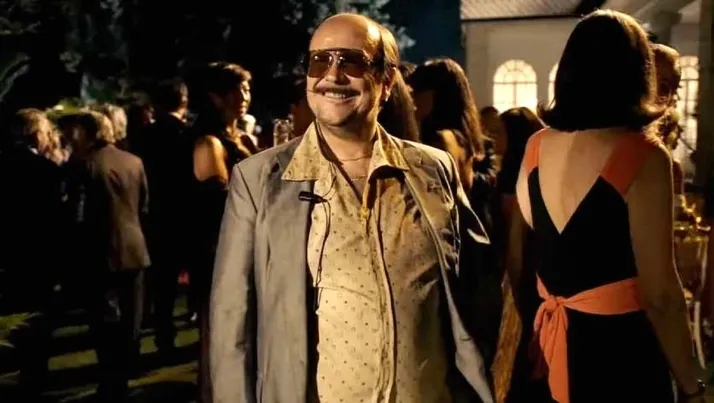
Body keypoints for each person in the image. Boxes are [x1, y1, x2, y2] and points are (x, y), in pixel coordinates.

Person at [210, 12, 500, 403]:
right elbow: (231, 323)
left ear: (386, 81)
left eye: (351, 61)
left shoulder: (433, 168)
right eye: (320, 61)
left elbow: (479, 285)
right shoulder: (259, 181)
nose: (333, 75)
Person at [507, 10, 705, 402]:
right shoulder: (645, 156)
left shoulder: (537, 146)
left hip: (550, 350)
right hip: (621, 355)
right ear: (639, 75)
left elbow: (529, 239)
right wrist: (693, 385)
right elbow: (661, 294)